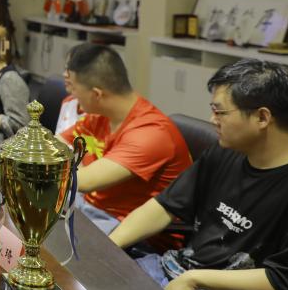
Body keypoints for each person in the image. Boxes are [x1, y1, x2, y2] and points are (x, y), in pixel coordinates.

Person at [109, 59, 288, 290]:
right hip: (175, 270)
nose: (212, 120)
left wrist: (196, 279)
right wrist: (109, 246)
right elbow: (164, 206)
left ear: (262, 118)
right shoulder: (226, 151)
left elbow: (285, 279)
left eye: (220, 112)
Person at [60, 43, 191, 237]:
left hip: (130, 232)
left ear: (96, 94)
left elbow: (83, 181)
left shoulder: (151, 132)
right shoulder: (100, 114)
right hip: (89, 208)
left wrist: (58, 158)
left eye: (74, 89)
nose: (71, 94)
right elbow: (56, 142)